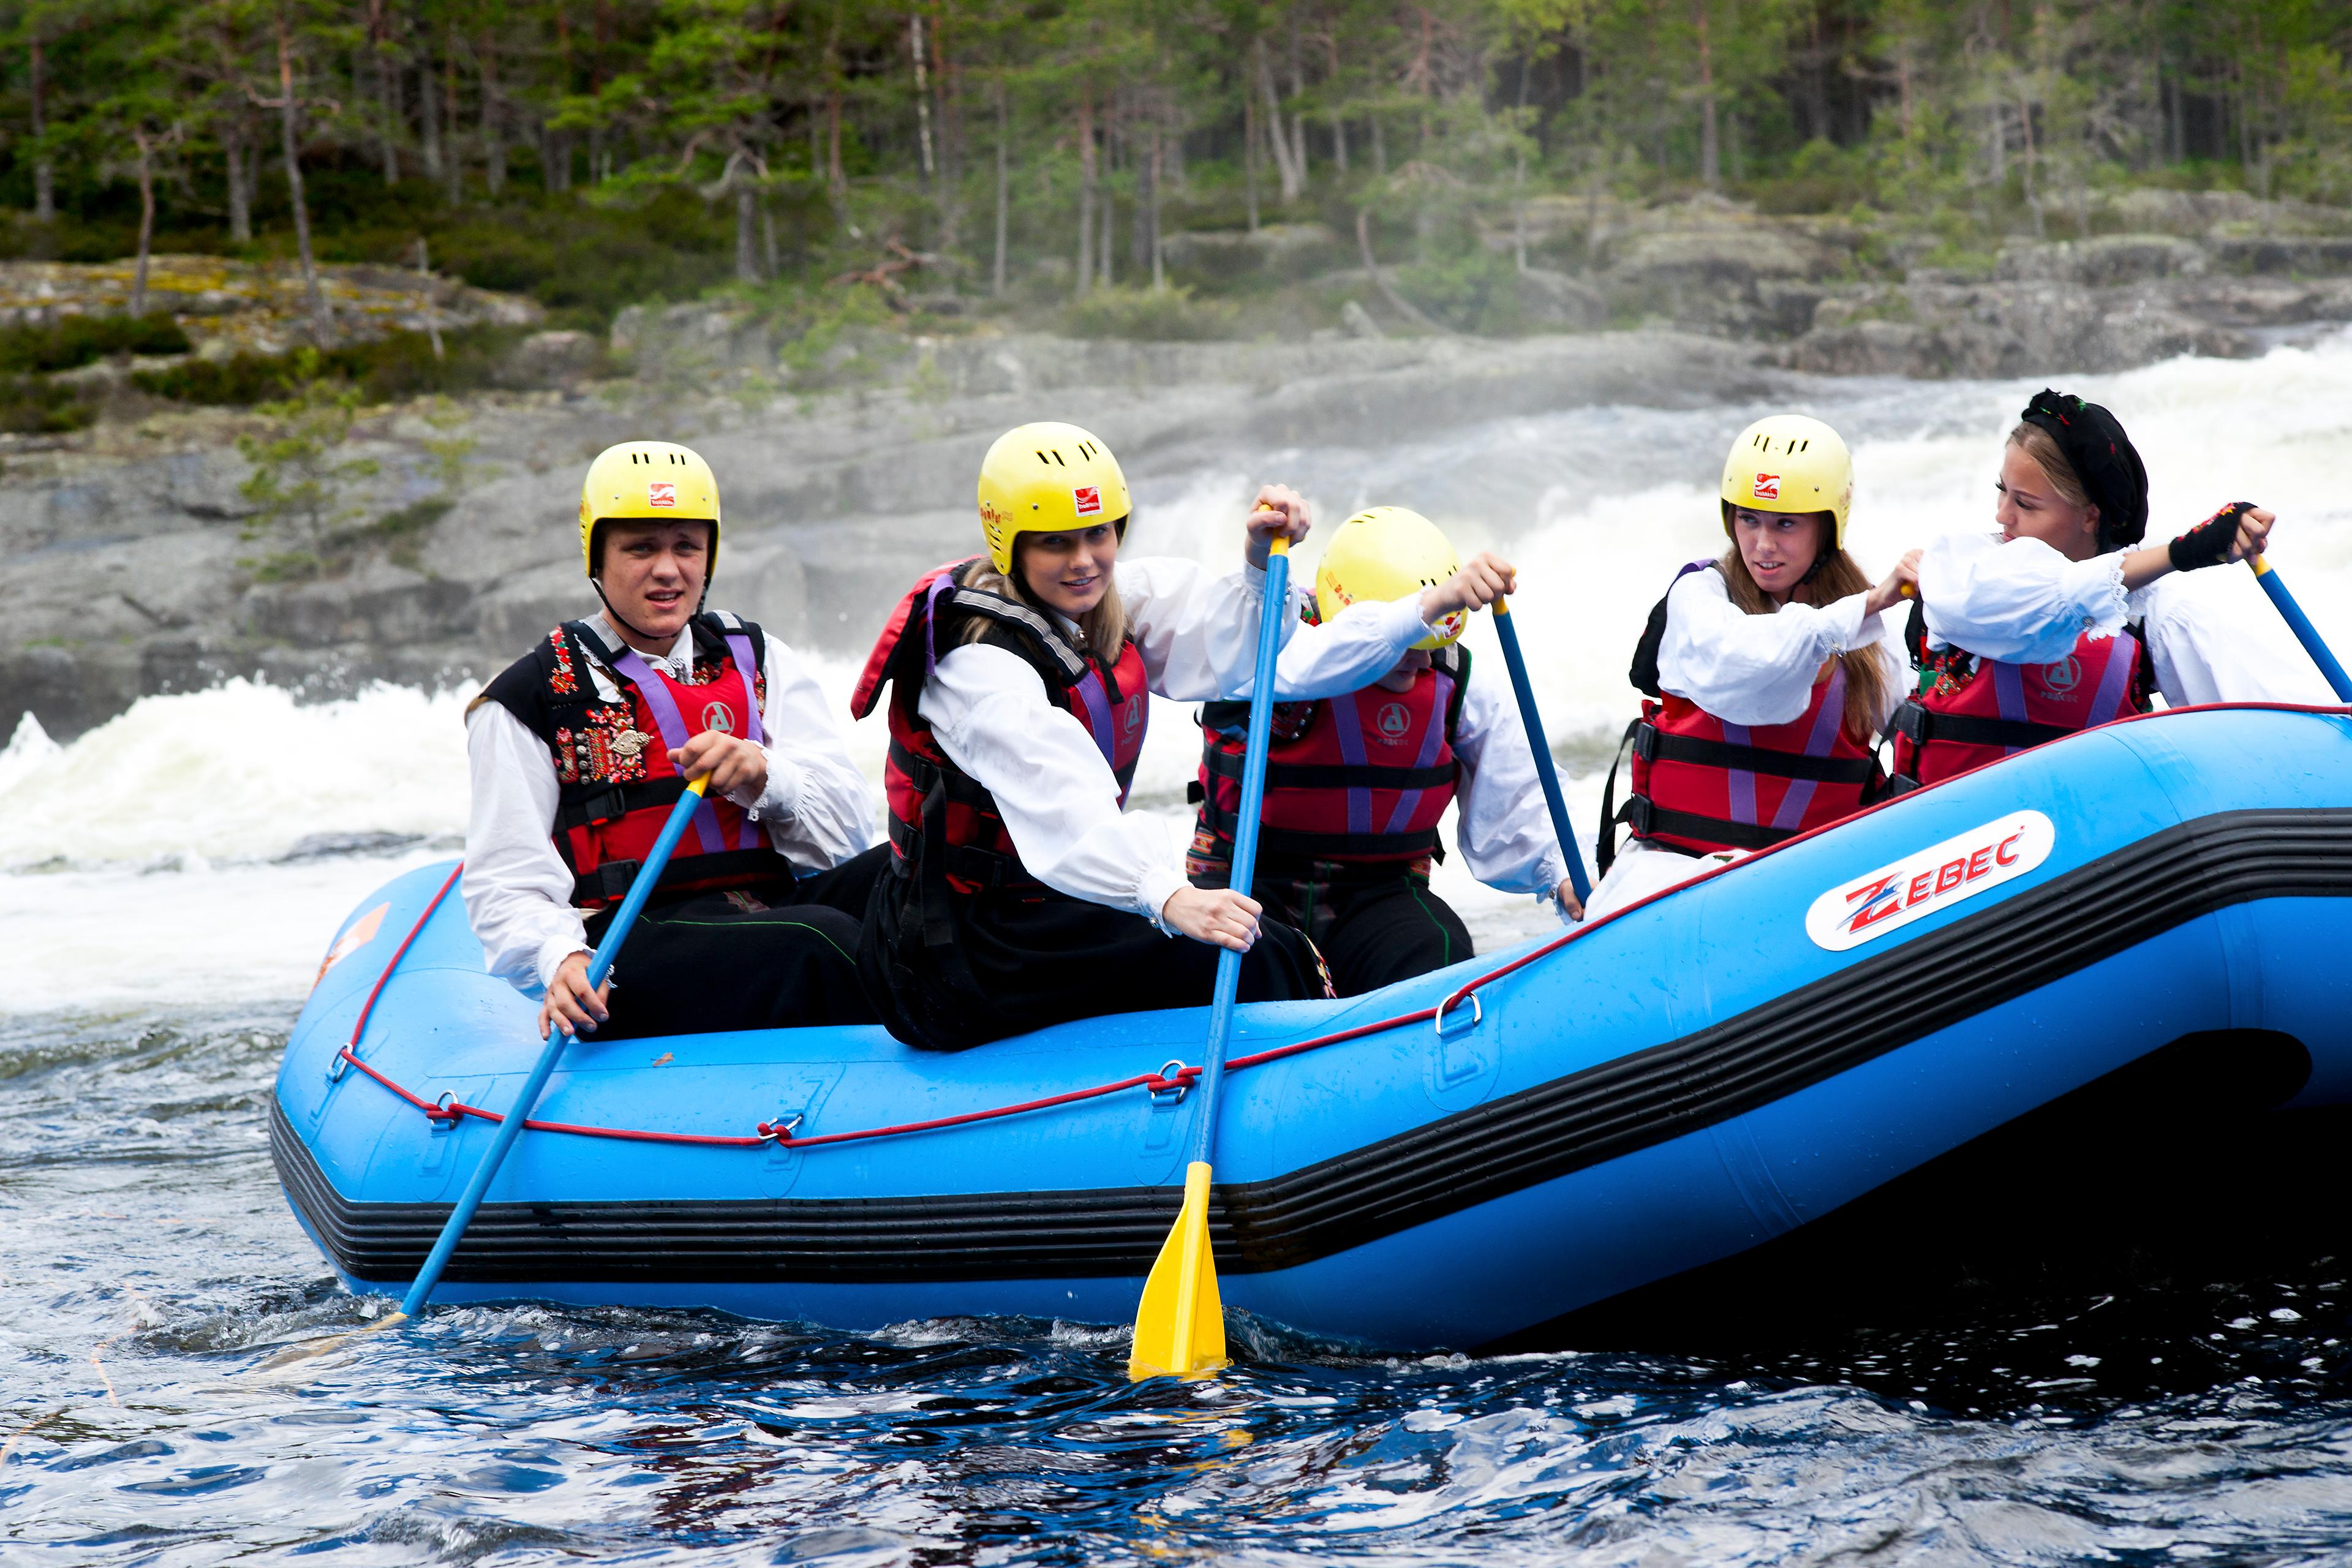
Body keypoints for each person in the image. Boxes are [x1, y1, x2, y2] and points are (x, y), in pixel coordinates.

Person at [850, 420, 1332, 1051]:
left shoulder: (1105, 603)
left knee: (1276, 943)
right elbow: (1064, 807)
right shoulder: (975, 663)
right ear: (1012, 545)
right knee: (1251, 958)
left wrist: (1257, 562)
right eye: (1055, 542)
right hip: (959, 951)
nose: (1083, 560)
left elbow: (1230, 648)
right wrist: (1169, 896)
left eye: (1097, 534)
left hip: (1044, 912)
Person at [464, 441, 883, 1042]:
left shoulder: (760, 658)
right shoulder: (524, 698)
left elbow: (844, 841)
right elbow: (504, 884)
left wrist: (766, 775)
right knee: (820, 939)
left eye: (686, 546)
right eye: (641, 548)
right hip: (627, 944)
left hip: (764, 904)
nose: (668, 569)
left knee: (909, 873)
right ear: (597, 556)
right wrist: (561, 958)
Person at [1183, 507, 1578, 996]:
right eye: (1413, 635)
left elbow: (1520, 793)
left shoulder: (1453, 679)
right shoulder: (1266, 642)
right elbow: (1282, 662)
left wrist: (1561, 877)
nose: (1422, 656)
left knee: (1441, 949)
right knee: (1242, 963)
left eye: (1433, 639)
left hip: (1378, 892)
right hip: (1247, 887)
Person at [1890, 388, 2307, 791]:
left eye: (2025, 504)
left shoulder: (2155, 616)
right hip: (1953, 848)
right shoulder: (1963, 572)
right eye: (2002, 492)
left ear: (2090, 517)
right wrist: (2184, 552)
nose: (2003, 516)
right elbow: (2045, 597)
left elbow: (2275, 728)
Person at [1589, 414, 1912, 921]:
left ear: (1827, 525)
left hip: (1810, 883)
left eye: (1786, 523)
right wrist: (1863, 608)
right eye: (1749, 519)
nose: (1763, 544)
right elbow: (1746, 664)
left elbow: (1921, 738)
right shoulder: (1700, 597)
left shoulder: (1874, 639)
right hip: (1676, 871)